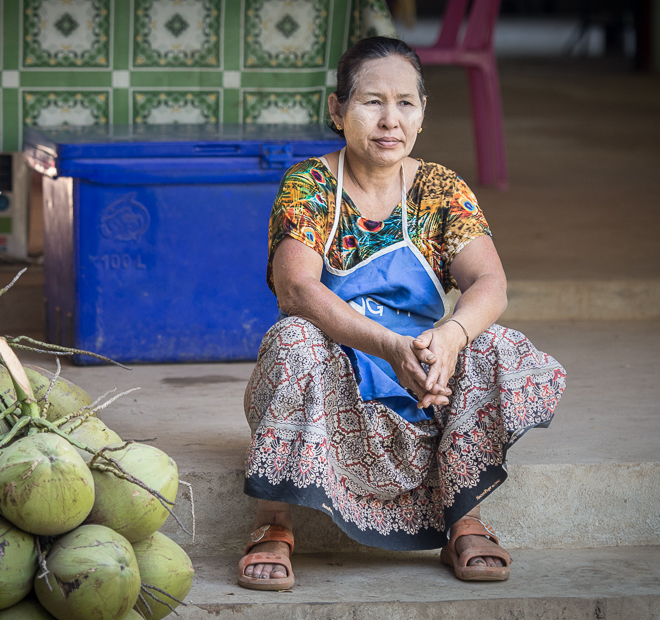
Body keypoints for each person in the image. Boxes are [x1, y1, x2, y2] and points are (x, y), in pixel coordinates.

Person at [238, 36, 567, 590]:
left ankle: (463, 516)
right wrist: (388, 348)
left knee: (498, 344)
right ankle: (274, 522)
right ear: (337, 109)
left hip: (423, 386)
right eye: (372, 102)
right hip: (335, 389)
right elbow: (295, 287)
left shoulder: (440, 189)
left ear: (421, 114)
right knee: (294, 337)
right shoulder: (311, 183)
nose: (390, 120)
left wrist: (450, 338)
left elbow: (490, 282)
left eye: (406, 103)